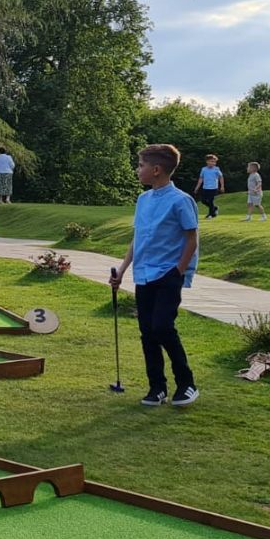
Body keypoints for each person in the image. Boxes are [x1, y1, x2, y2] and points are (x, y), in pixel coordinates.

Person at [109, 143, 199, 408]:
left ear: (156, 170)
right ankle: (157, 388)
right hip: (144, 274)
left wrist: (178, 271)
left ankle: (187, 384)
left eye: (141, 166)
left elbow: (192, 239)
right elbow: (139, 237)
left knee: (162, 327)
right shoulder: (143, 200)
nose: (138, 170)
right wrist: (122, 270)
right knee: (147, 331)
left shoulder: (181, 200)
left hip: (167, 275)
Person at [192, 153, 224, 219]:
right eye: (211, 161)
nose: (213, 163)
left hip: (213, 187)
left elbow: (221, 177)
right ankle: (214, 208)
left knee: (210, 200)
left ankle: (211, 214)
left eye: (214, 162)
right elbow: (201, 178)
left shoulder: (216, 169)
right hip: (205, 187)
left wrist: (222, 186)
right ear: (207, 161)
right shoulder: (203, 169)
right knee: (203, 200)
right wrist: (197, 187)